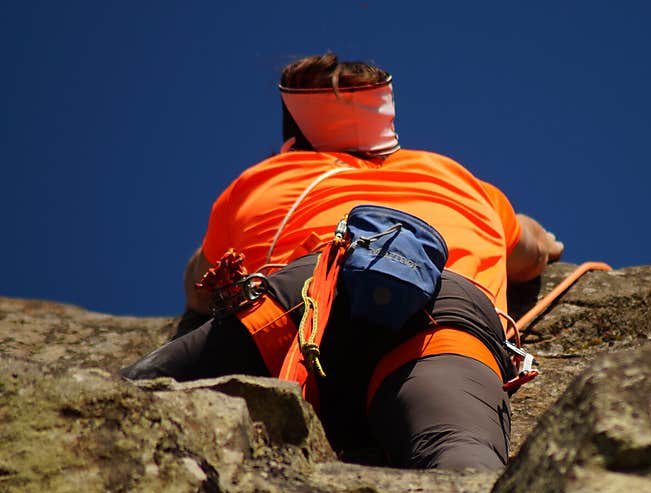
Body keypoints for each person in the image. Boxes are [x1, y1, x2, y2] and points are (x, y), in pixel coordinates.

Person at [121, 53, 563, 470]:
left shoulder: (263, 181)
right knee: (461, 454)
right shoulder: (456, 177)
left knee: (127, 404)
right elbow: (532, 254)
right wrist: (546, 241)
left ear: (293, 140)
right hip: (445, 308)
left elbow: (200, 288)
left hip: (312, 294)